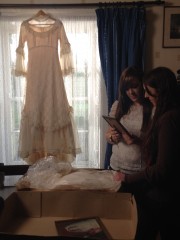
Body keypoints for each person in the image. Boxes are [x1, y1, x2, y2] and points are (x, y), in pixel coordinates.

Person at [114, 66, 180, 240]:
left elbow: (162, 169)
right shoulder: (167, 113)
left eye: (149, 92)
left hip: (163, 194)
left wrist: (127, 178)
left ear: (162, 92)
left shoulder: (168, 119)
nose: (146, 96)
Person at [105, 66, 152, 177]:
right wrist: (112, 137)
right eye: (127, 88)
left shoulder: (152, 108)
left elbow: (157, 144)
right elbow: (108, 135)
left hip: (139, 171)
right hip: (116, 167)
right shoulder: (118, 106)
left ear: (143, 85)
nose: (131, 92)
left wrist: (137, 141)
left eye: (134, 87)